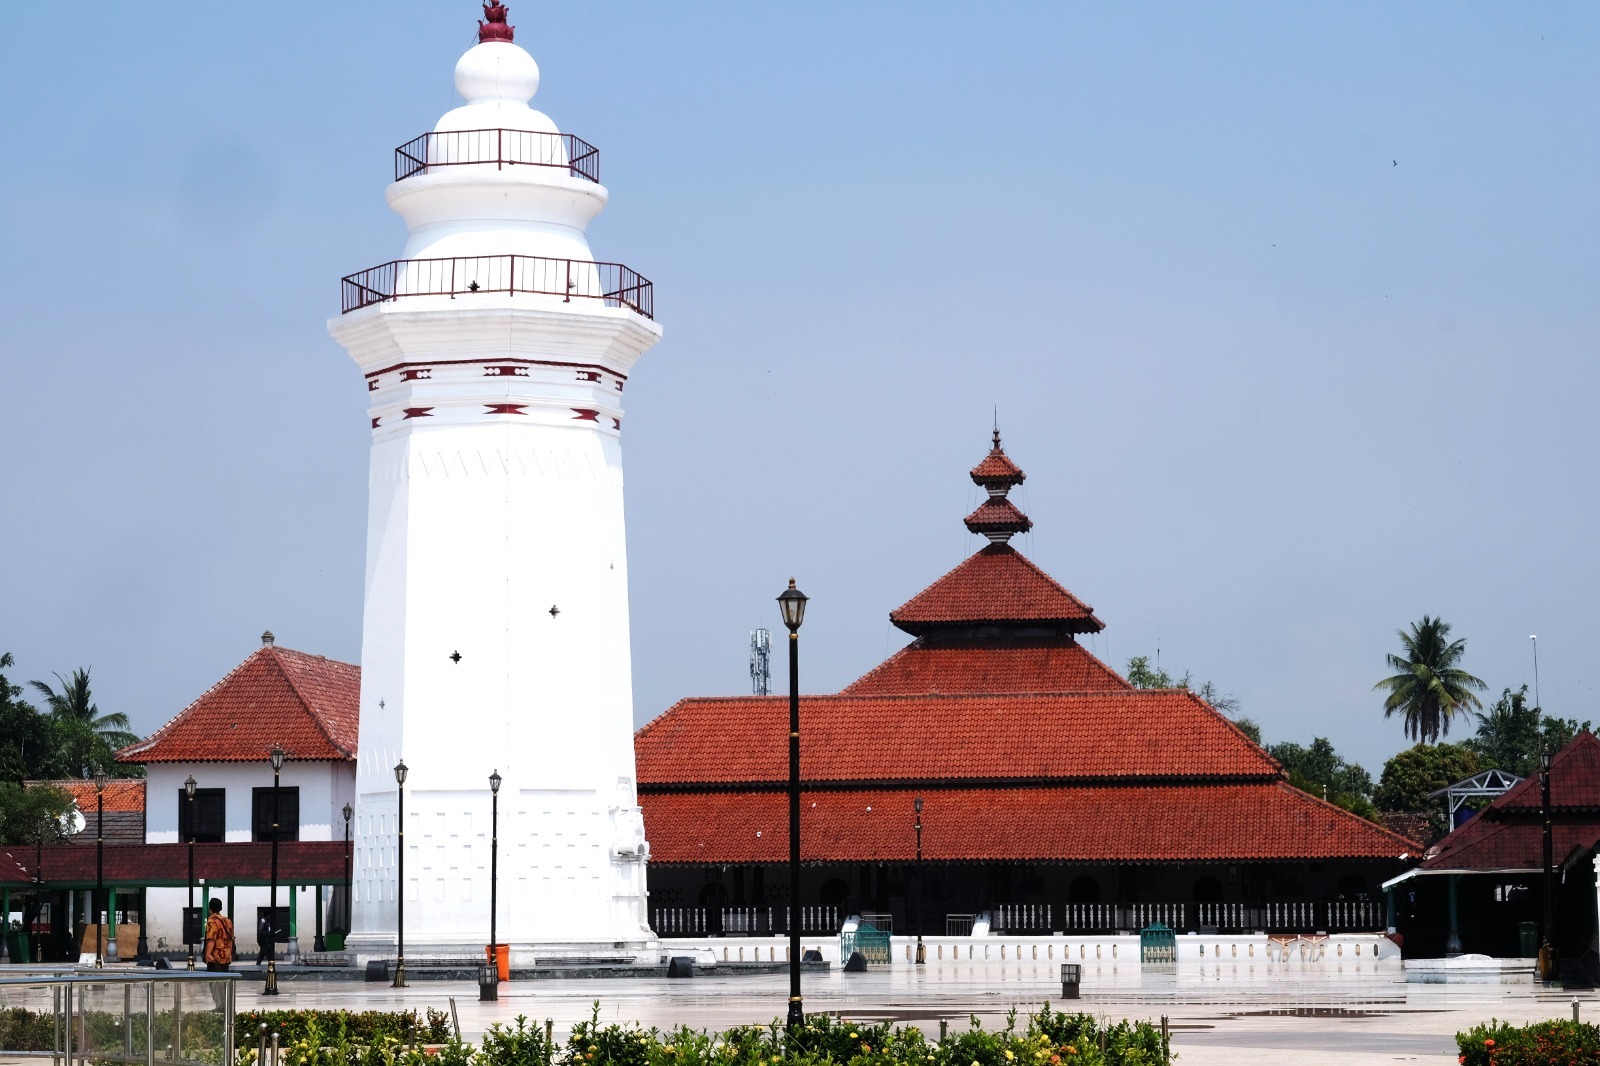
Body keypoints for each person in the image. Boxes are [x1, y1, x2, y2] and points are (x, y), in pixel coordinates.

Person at [201, 899, 234, 971]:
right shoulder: (227, 921)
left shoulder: (212, 921)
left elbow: (211, 939)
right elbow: (230, 939)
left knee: (215, 980)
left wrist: (208, 954)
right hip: (226, 957)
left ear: (210, 909)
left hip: (215, 958)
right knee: (225, 980)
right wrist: (229, 954)